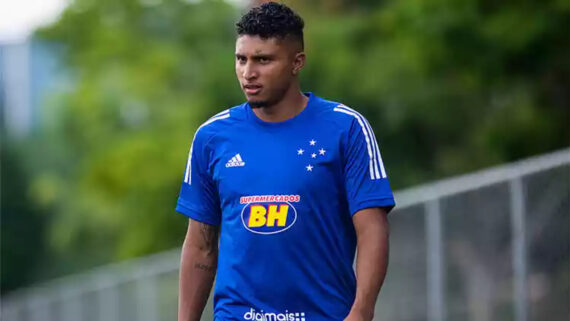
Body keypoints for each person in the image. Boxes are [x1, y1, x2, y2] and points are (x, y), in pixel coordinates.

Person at [176, 2, 395, 321]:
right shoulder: (211, 137)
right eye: (241, 59)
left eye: (263, 60)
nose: (248, 72)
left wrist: (361, 313)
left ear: (297, 62)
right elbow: (200, 245)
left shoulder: (345, 128)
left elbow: (372, 229)